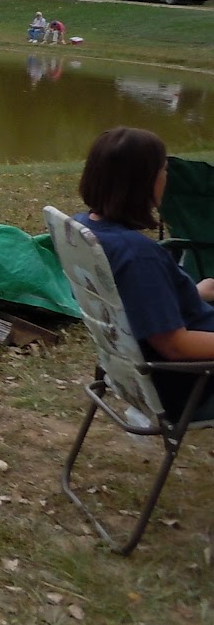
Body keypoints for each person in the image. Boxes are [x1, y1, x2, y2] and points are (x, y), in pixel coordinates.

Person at [77, 127, 214, 416]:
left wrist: (193, 293)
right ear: (142, 183)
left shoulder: (88, 228)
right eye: (163, 171)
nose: (167, 178)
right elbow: (176, 347)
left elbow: (138, 301)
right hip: (191, 384)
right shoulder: (137, 255)